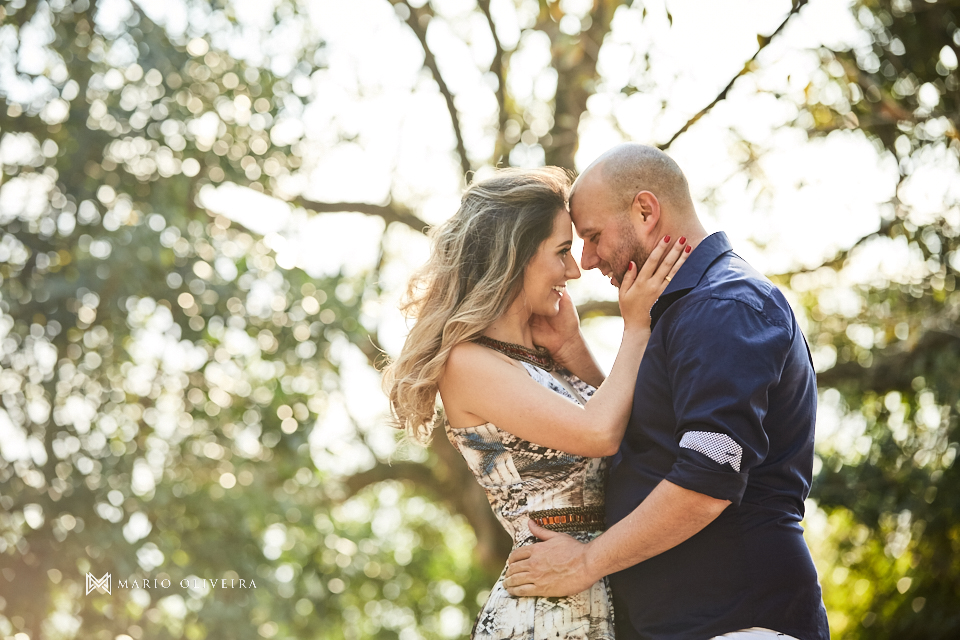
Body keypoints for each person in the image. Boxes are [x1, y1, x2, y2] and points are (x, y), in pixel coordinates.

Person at [502, 144, 831, 640]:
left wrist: (586, 562)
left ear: (645, 211)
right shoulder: (676, 310)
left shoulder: (726, 305)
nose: (586, 261)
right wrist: (573, 349)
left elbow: (708, 477)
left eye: (592, 237)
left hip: (740, 622)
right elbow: (645, 438)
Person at [381, 166, 689, 639]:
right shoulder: (466, 364)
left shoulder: (541, 357)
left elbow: (629, 439)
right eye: (562, 251)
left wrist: (572, 351)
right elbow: (598, 434)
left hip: (602, 590)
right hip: (546, 611)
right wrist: (637, 328)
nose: (574, 269)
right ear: (516, 257)